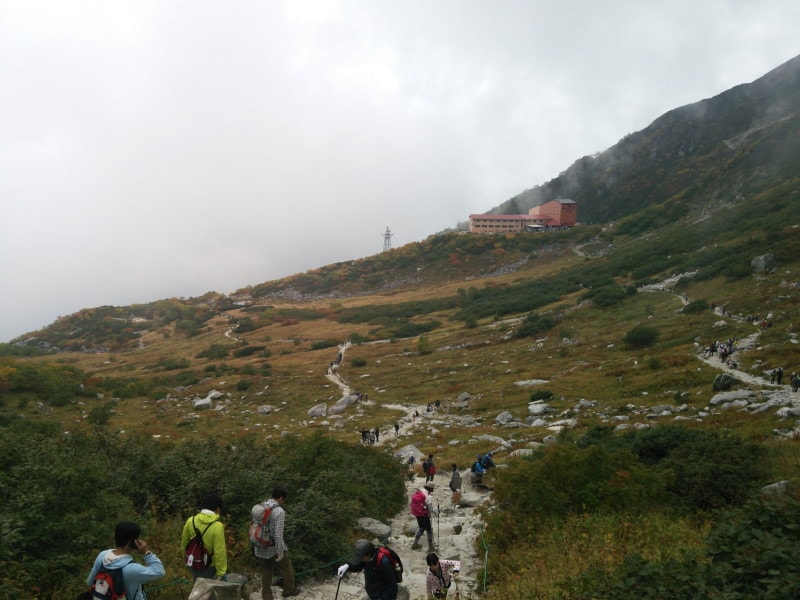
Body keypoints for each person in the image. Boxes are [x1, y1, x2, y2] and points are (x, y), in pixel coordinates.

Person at [86, 521, 165, 600]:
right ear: (132, 541)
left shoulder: (102, 555)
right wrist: (146, 552)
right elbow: (159, 571)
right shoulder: (132, 569)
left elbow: (90, 582)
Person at [253, 486, 300, 599]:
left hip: (260, 546)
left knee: (266, 571)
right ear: (281, 498)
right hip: (273, 547)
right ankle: (289, 590)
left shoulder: (260, 506)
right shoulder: (279, 511)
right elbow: (278, 535)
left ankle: (266, 594)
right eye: (284, 499)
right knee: (286, 567)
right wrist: (280, 552)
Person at [180, 493, 227, 581]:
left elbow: (184, 543)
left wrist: (188, 559)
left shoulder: (191, 520)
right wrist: (221, 572)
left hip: (194, 562)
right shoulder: (217, 526)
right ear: (218, 508)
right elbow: (219, 551)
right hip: (210, 566)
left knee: (198, 587)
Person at [410, 482, 436, 552]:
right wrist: (436, 511)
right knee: (429, 530)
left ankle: (414, 544)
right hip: (424, 514)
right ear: (431, 489)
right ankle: (430, 547)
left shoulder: (420, 491)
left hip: (417, 513)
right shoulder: (429, 496)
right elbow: (430, 509)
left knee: (421, 528)